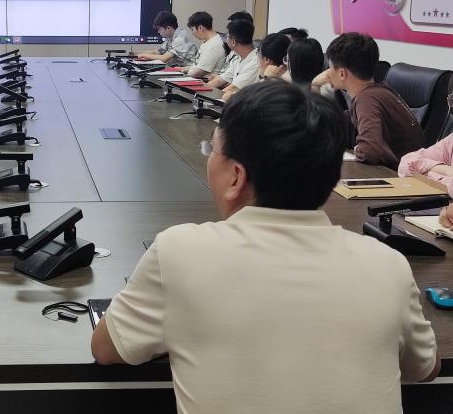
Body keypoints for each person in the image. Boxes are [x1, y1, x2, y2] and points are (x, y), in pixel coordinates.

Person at [91, 80, 438, 413]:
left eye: (212, 149)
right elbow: (426, 368)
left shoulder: (178, 253)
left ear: (236, 177)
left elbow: (106, 348)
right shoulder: (388, 264)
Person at [320, 32, 422, 169]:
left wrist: (358, 149)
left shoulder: (366, 100)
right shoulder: (380, 91)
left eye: (330, 67)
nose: (327, 73)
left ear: (342, 73)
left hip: (397, 176)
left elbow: (370, 150)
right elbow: (345, 123)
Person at [206, 19, 258, 101]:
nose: (225, 39)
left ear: (233, 42)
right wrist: (201, 92)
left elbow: (233, 88)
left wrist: (211, 99)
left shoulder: (255, 61)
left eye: (226, 36)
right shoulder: (238, 56)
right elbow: (220, 80)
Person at [175, 11, 226, 78]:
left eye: (192, 29)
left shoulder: (214, 45)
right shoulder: (207, 41)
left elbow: (199, 72)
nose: (192, 33)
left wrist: (181, 77)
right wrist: (182, 69)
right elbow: (197, 65)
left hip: (204, 80)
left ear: (200, 28)